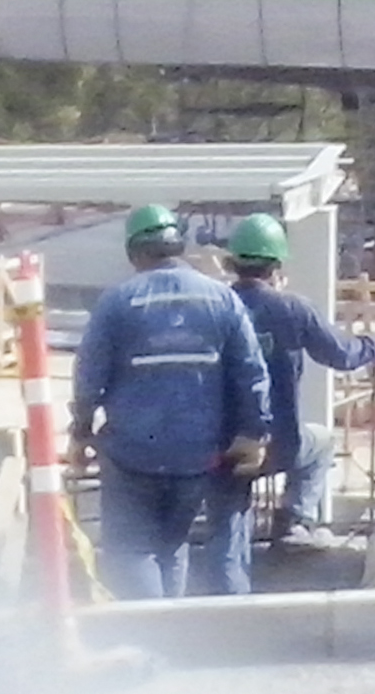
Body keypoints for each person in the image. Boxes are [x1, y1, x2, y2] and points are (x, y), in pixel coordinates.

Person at [69, 204, 271, 600]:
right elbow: (251, 371)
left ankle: (154, 630)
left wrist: (80, 431)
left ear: (133, 252)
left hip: (132, 453)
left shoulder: (118, 302)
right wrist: (253, 433)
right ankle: (174, 625)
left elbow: (89, 374)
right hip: (196, 456)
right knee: (172, 544)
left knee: (132, 550)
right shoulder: (222, 299)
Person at [201, 213, 375, 595]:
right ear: (277, 266)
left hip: (221, 449)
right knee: (322, 443)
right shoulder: (292, 308)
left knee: (227, 535)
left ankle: (225, 607)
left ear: (232, 263)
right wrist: (374, 346)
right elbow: (341, 354)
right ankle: (294, 522)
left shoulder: (213, 308)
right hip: (279, 445)